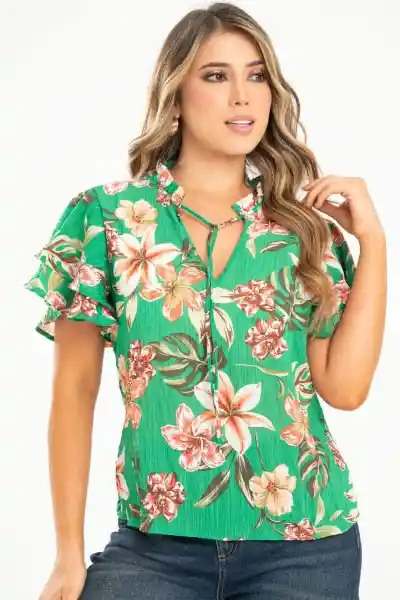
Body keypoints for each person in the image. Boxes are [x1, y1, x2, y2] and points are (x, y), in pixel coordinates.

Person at [26, 3, 386, 599]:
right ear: (175, 96)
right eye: (216, 75)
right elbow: (74, 390)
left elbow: (345, 389)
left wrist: (373, 241)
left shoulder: (303, 231)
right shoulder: (107, 218)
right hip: (154, 548)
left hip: (306, 545)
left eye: (256, 75)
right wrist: (67, 554)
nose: (242, 95)